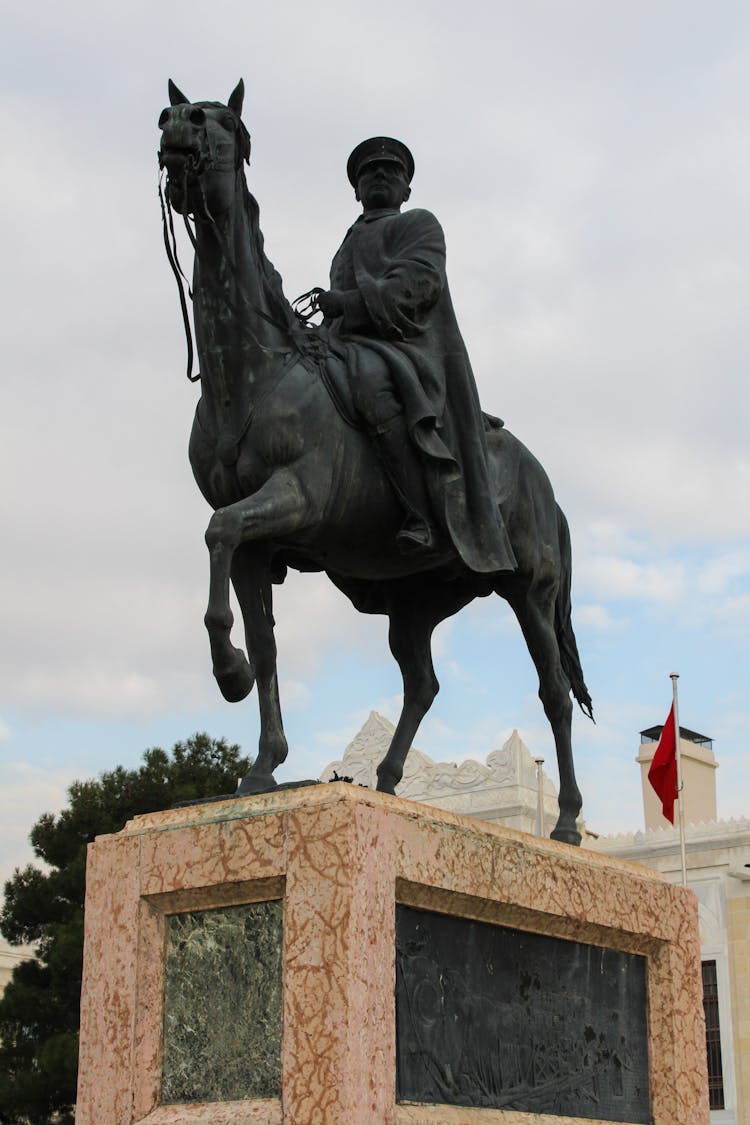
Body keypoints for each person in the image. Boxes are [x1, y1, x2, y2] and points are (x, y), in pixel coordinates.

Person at [318, 137, 516, 574]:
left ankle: (422, 514)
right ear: (355, 190)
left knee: (372, 385)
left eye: (392, 171)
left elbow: (419, 284)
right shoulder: (346, 243)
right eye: (370, 172)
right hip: (352, 343)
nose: (381, 176)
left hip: (410, 347)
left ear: (407, 190)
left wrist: (347, 304)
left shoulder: (419, 225)